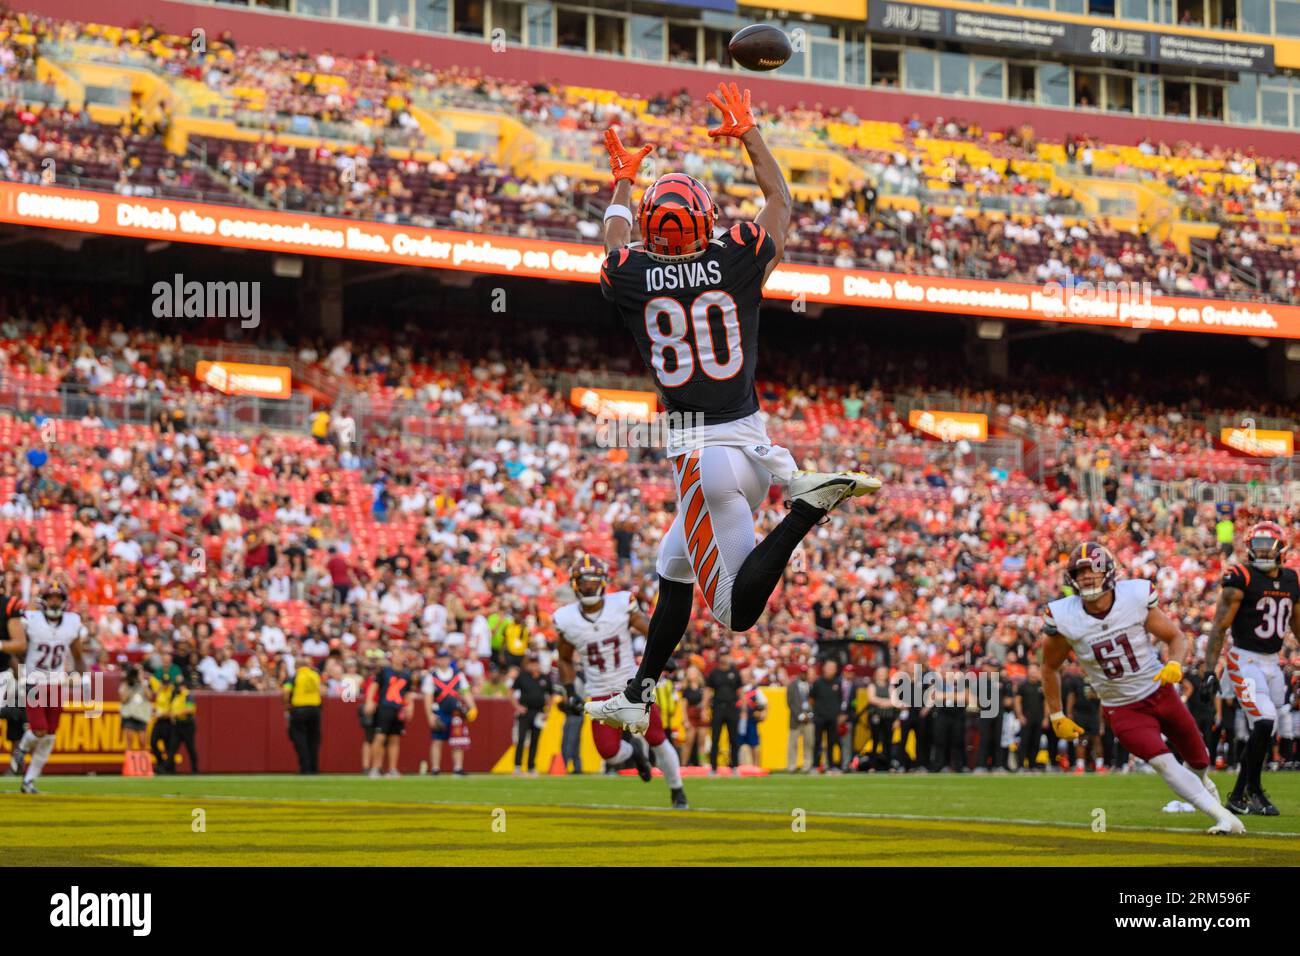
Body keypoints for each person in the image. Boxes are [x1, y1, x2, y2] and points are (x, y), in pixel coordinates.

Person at [587, 82, 881, 735]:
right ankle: (639, 691)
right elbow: (781, 200)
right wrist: (749, 133)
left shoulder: (631, 276)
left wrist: (620, 183)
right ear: (708, 219)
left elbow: (613, 241)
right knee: (673, 566)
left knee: (735, 612)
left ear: (650, 234)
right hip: (750, 442)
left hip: (700, 454)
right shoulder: (737, 256)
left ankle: (806, 508)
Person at [1042, 542, 1243, 834]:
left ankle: (1203, 786)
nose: (1086, 577)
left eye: (1092, 570)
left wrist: (1175, 663)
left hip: (1159, 691)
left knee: (1198, 758)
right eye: (1080, 572)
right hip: (1121, 706)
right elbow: (1049, 666)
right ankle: (1223, 817)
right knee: (1163, 763)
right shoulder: (1064, 615)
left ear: (1108, 571)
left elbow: (1176, 638)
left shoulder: (1132, 597)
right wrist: (1056, 714)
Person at [555, 556, 687, 807]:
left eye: (594, 581)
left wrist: (663, 654)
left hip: (632, 685)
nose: (590, 587)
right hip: (599, 690)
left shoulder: (620, 604)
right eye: (584, 582)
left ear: (603, 582)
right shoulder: (566, 618)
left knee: (657, 738)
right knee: (609, 753)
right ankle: (635, 754)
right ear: (575, 585)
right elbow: (564, 659)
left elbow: (651, 629)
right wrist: (571, 690)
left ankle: (677, 790)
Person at [1206, 520, 1299, 816]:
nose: (1261, 552)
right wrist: (1210, 669)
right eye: (1256, 546)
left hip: (1272, 662)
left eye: (1266, 546)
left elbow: (1298, 625)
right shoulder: (1240, 577)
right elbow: (1220, 626)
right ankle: (1252, 791)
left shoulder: (1290, 580)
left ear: (1279, 549)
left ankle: (1239, 794)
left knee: (1266, 726)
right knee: (1263, 720)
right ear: (1248, 548)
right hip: (1243, 659)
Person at [11, 583, 84, 793]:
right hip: (34, 680)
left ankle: (29, 781)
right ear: (43, 600)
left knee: (50, 736)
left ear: (64, 601)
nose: (54, 602)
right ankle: (22, 748)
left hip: (56, 682)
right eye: (50, 597)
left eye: (58, 598)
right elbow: (18, 648)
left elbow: (77, 655)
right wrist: (17, 670)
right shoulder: (30, 620)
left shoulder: (72, 622)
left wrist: (83, 677)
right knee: (40, 730)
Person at [423, 646, 475, 776]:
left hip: (455, 712)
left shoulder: (458, 675)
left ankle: (458, 767)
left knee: (458, 741)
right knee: (437, 740)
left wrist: (472, 706)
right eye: (441, 658)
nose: (443, 661)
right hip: (439, 711)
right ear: (437, 660)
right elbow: (428, 697)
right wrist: (430, 715)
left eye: (445, 658)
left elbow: (465, 692)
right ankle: (435, 768)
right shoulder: (432, 676)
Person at [365, 649, 415, 778]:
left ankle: (392, 768)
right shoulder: (384, 671)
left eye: (401, 655)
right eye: (397, 655)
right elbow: (374, 686)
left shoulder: (407, 674)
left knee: (395, 739)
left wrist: (409, 707)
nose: (399, 658)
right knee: (380, 737)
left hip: (398, 709)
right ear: (392, 657)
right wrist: (370, 701)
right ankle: (376, 767)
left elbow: (408, 694)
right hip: (385, 707)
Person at [510, 654, 553, 776]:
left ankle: (531, 767)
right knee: (521, 739)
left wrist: (548, 711)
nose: (534, 666)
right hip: (525, 712)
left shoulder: (545, 678)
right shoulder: (523, 677)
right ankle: (517, 766)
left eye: (536, 663)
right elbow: (510, 691)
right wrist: (517, 706)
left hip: (539, 712)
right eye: (531, 664)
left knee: (535, 740)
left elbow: (551, 695)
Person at [704, 647, 743, 773]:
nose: (724, 657)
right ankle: (713, 767)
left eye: (726, 655)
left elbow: (740, 691)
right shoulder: (714, 673)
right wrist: (704, 708)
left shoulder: (735, 672)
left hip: (732, 708)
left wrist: (743, 709)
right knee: (715, 738)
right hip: (718, 708)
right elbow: (708, 691)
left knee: (734, 739)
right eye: (722, 655)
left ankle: (735, 766)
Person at [284, 656, 323, 774]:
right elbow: (321, 690)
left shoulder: (294, 676)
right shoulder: (315, 675)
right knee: (314, 739)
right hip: (315, 709)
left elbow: (286, 691)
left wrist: (287, 705)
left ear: (296, 666)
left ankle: (305, 768)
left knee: (300, 738)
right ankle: (314, 767)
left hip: (299, 709)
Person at [809, 658, 844, 773]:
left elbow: (840, 699)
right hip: (819, 717)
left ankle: (831, 765)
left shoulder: (838, 683)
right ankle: (815, 765)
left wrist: (838, 714)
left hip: (832, 718)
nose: (830, 670)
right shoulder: (818, 682)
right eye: (829, 667)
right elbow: (811, 699)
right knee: (817, 742)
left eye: (833, 668)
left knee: (831, 742)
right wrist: (816, 712)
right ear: (824, 668)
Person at [119, 664, 153, 753]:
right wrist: (128, 682)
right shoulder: (126, 684)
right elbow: (123, 699)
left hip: (141, 715)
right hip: (129, 715)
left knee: (142, 741)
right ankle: (129, 764)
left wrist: (142, 681)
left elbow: (149, 696)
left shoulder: (145, 683)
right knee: (129, 740)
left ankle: (144, 764)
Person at [785, 666, 813, 772]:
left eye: (805, 673)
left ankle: (807, 765)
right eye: (802, 673)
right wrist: (800, 716)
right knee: (792, 744)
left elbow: (814, 702)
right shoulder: (792, 686)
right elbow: (790, 703)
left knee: (809, 743)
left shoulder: (811, 686)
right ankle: (791, 765)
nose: (803, 675)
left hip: (809, 720)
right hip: (795, 720)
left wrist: (809, 715)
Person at [169, 678, 199, 773]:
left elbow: (190, 709)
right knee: (172, 747)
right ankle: (169, 768)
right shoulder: (177, 696)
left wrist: (177, 714)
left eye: (179, 686)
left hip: (187, 724)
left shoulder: (188, 695)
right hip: (178, 724)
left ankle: (195, 769)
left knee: (190, 747)